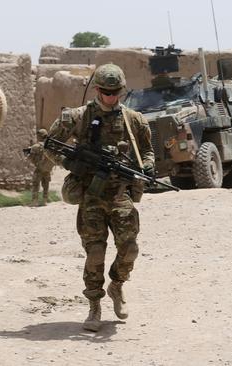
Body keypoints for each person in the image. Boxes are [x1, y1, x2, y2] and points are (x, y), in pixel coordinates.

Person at [48, 63, 155, 332]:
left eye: (115, 92)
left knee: (130, 248)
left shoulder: (134, 121)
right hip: (91, 196)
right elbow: (48, 146)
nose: (110, 97)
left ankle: (116, 285)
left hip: (120, 194)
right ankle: (94, 306)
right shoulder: (76, 117)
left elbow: (148, 152)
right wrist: (70, 163)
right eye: (106, 92)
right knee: (95, 252)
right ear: (96, 89)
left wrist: (148, 167)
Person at [26, 129, 54, 206]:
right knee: (46, 185)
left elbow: (30, 158)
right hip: (47, 169)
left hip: (39, 168)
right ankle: (45, 201)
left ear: (39, 136)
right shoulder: (50, 146)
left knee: (35, 184)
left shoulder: (36, 147)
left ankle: (34, 201)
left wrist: (28, 155)